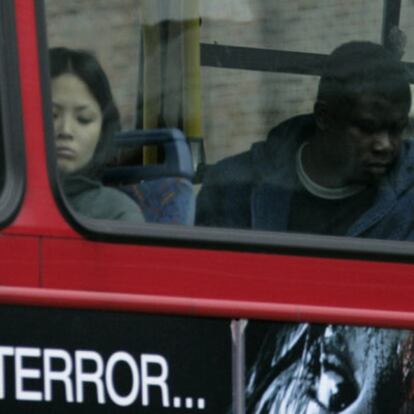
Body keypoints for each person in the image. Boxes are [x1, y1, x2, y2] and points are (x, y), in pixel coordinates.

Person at [196, 41, 414, 240]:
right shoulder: (231, 188)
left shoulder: (409, 199)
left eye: (397, 130)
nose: (385, 145)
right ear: (323, 117)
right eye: (367, 128)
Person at [50, 47, 144, 222]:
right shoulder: (8, 200)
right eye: (52, 115)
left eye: (83, 119)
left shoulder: (118, 214)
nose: (65, 131)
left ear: (103, 132)